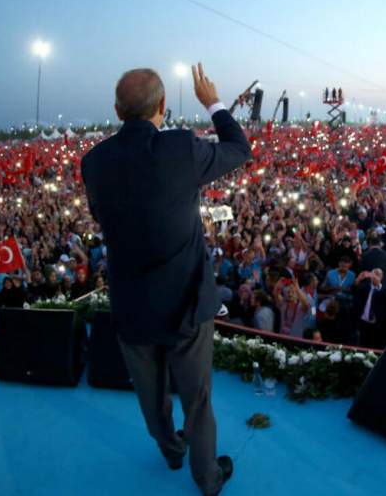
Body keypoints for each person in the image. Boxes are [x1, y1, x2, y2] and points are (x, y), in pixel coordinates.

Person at [81, 64, 250, 495]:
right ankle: (207, 477)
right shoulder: (179, 148)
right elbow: (238, 148)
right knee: (197, 400)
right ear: (162, 106)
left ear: (117, 109)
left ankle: (171, 450)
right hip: (185, 304)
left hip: (132, 303)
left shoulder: (94, 162)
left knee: (150, 397)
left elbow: (103, 218)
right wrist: (212, 101)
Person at [353, 268, 386, 349]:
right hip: (362, 321)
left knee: (373, 345)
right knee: (361, 344)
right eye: (374, 274)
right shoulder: (364, 287)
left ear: (382, 277)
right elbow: (353, 289)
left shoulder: (385, 290)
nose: (375, 277)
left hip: (376, 323)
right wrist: (358, 279)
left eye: (378, 275)